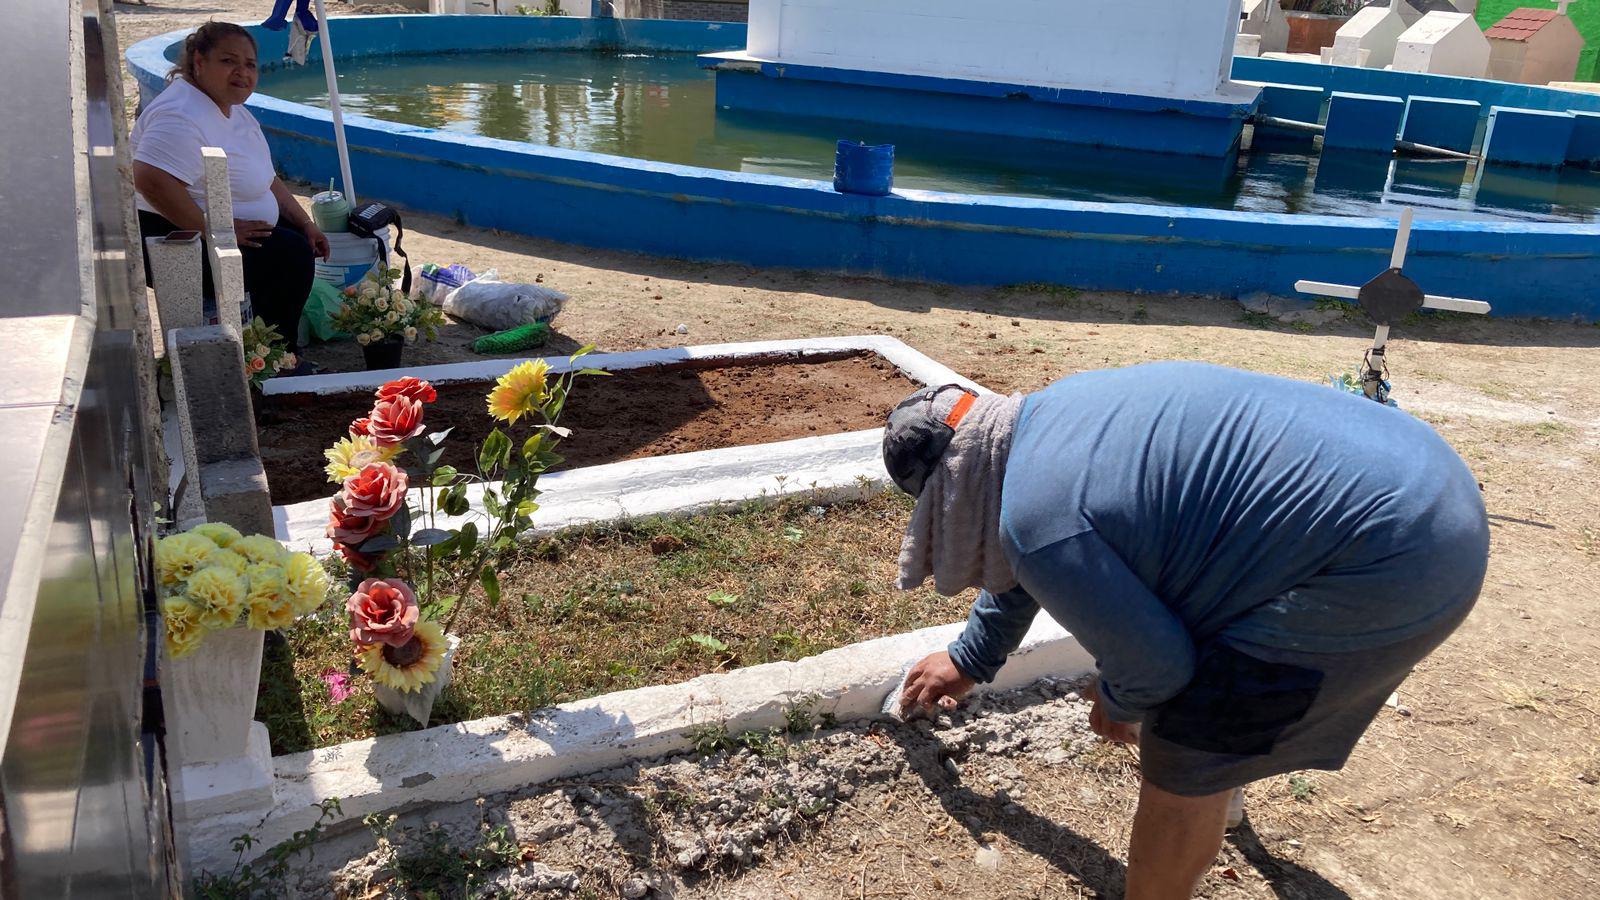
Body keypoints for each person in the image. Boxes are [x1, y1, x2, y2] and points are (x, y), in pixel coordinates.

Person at [884, 362, 1487, 900]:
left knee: (1187, 745)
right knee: (1207, 643)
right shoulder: (1053, 418)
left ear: (950, 488)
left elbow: (1155, 666)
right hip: (1424, 478)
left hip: (1392, 559)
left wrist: (1118, 698)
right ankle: (1223, 799)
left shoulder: (1037, 517)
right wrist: (972, 654)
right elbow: (1035, 551)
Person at [131, 21, 329, 355]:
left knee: (297, 241)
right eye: (228, 61)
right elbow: (151, 178)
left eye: (250, 64)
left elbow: (268, 178)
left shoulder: (233, 110)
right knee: (288, 255)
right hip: (179, 241)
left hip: (225, 230)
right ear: (198, 62)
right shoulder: (180, 113)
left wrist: (305, 222)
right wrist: (215, 230)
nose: (242, 72)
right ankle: (273, 357)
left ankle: (272, 351)